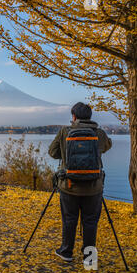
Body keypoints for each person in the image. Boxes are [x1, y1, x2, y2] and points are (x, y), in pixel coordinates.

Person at [48, 102, 112, 263]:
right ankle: (89, 258)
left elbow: (52, 152)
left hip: (69, 186)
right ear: (90, 117)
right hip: (93, 187)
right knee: (90, 222)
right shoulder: (99, 133)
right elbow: (107, 146)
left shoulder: (65, 132)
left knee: (69, 219)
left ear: (74, 116)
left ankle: (66, 252)